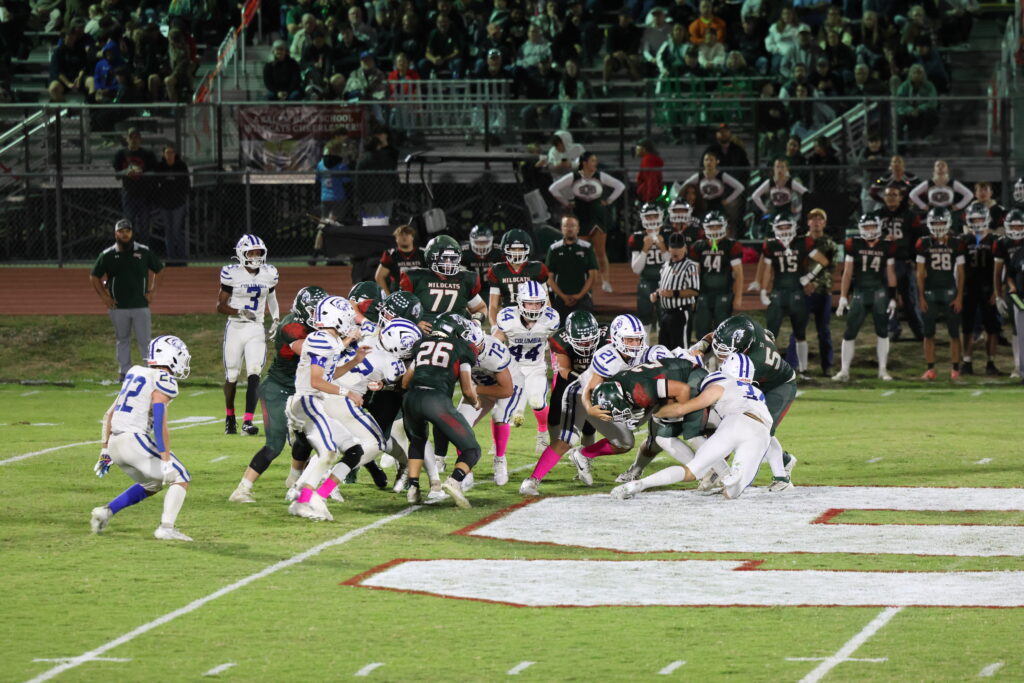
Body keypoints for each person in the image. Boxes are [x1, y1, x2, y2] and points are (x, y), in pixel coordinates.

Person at [611, 351, 772, 501]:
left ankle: (640, 484)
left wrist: (657, 413)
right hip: (761, 433)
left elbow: (683, 408)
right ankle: (728, 474)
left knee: (692, 469)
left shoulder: (720, 383)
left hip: (734, 422)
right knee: (732, 493)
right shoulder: (758, 393)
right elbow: (773, 444)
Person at [519, 314, 647, 495]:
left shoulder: (645, 353)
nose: (634, 344)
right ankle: (531, 481)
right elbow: (589, 389)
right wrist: (590, 409)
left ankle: (584, 454)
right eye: (629, 340)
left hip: (604, 395)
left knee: (625, 443)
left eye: (637, 339)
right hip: (581, 394)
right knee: (567, 440)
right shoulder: (607, 356)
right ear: (616, 338)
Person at [228, 286, 327, 504]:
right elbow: (309, 351)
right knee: (275, 445)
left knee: (307, 438)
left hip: (300, 390)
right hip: (278, 390)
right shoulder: (292, 325)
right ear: (302, 309)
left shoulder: (318, 328)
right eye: (313, 311)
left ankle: (295, 480)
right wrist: (340, 341)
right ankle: (241, 490)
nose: (318, 316)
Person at [90, 335, 194, 540]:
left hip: (115, 444)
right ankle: (166, 528)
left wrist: (105, 451)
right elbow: (160, 421)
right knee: (181, 476)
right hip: (133, 440)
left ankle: (106, 512)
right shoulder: (163, 379)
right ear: (171, 356)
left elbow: (109, 414)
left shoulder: (136, 372)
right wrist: (165, 458)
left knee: (152, 485)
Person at [285, 296, 369, 521]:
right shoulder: (321, 340)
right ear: (337, 318)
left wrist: (355, 360)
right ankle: (302, 497)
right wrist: (348, 393)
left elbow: (329, 374)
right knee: (329, 452)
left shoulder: (328, 340)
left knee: (354, 451)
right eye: (347, 319)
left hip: (313, 403)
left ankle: (318, 495)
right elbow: (317, 382)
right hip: (306, 402)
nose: (350, 323)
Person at [401, 314, 482, 507]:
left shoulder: (421, 344)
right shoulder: (462, 347)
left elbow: (405, 382)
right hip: (436, 401)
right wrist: (476, 402)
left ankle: (413, 487)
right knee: (472, 450)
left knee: (418, 441)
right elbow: (467, 390)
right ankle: (455, 480)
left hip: (411, 399)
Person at [217, 235, 279, 436]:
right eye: (251, 253)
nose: (255, 256)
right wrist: (240, 311)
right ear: (241, 253)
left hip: (256, 328)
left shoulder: (269, 273)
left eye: (258, 252)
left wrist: (276, 319)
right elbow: (220, 306)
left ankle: (247, 422)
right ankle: (230, 417)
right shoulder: (232, 273)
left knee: (254, 372)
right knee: (232, 375)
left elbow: (272, 298)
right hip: (235, 328)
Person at [90, 219, 164, 382]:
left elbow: (159, 270)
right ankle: (124, 372)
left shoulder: (144, 252)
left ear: (132, 233)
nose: (125, 235)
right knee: (122, 339)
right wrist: (104, 297)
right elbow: (94, 276)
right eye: (121, 232)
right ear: (115, 234)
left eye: (127, 231)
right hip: (118, 306)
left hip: (140, 305)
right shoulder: (108, 254)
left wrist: (153, 292)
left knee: (145, 340)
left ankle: (150, 372)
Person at [494, 282, 562, 454]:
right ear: (520, 302)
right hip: (511, 368)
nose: (534, 307)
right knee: (501, 407)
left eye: (538, 303)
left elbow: (557, 343)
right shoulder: (508, 318)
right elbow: (497, 340)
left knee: (537, 402)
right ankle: (497, 442)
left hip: (535, 367)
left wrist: (558, 364)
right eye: (530, 303)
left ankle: (543, 433)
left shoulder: (550, 319)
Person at [832, 215, 898, 381]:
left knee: (882, 332)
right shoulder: (853, 244)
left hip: (879, 293)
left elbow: (891, 273)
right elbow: (847, 272)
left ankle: (882, 370)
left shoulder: (887, 245)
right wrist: (843, 296)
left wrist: (892, 297)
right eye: (866, 227)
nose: (869, 230)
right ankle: (844, 370)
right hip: (860, 293)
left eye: (872, 226)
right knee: (850, 331)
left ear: (878, 227)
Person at [548, 153, 626, 293]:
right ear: (584, 162)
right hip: (581, 215)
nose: (595, 163)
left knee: (600, 252)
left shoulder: (600, 176)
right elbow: (553, 188)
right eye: (592, 160)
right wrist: (566, 203)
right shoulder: (574, 176)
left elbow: (620, 186)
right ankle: (580, 279)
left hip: (598, 216)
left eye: (595, 160)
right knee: (580, 251)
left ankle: (605, 281)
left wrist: (608, 201)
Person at [915, 208, 966, 381]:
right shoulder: (923, 243)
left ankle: (955, 370)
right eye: (935, 222)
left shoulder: (956, 243)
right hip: (930, 292)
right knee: (928, 333)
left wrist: (959, 296)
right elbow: (920, 273)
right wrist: (921, 297)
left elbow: (961, 273)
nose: (938, 226)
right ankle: (930, 369)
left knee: (954, 333)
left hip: (950, 291)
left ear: (948, 223)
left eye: (941, 222)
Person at [873, 184, 925, 341]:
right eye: (888, 195)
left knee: (910, 299)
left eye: (894, 195)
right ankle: (892, 329)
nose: (890, 198)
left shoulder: (910, 215)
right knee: (886, 298)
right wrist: (883, 238)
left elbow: (918, 238)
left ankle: (919, 331)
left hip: (903, 261)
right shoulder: (877, 215)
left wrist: (915, 258)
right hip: (883, 262)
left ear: (901, 197)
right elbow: (868, 235)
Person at [400, 235, 487, 325]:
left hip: (456, 330)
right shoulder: (416, 278)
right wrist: (414, 323)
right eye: (444, 258)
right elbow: (399, 309)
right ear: (431, 257)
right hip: (424, 330)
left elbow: (480, 308)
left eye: (453, 258)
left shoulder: (465, 279)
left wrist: (476, 321)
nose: (449, 262)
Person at [960, 203, 1002, 376]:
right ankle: (967, 362)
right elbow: (958, 269)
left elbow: (1000, 269)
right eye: (974, 219)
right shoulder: (963, 240)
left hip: (988, 288)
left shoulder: (995, 240)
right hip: (968, 289)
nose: (977, 222)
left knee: (992, 328)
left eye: (980, 219)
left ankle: (990, 363)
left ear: (986, 219)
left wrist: (997, 291)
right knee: (967, 327)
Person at [689, 211, 744, 340]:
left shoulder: (731, 246)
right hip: (704, 293)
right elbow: (693, 275)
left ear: (724, 226)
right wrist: (692, 297)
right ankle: (704, 353)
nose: (714, 229)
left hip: (724, 293)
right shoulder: (699, 246)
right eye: (711, 226)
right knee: (702, 331)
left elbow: (739, 274)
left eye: (717, 226)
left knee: (723, 332)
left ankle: (720, 353)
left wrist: (738, 297)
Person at [485, 229, 549, 328]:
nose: (517, 252)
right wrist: (494, 327)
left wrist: (547, 323)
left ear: (528, 249)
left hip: (533, 318)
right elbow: (493, 306)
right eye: (513, 249)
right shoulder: (498, 270)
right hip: (508, 318)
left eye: (521, 249)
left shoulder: (537, 269)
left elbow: (546, 301)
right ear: (505, 249)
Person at [653, 232, 701, 349]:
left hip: (680, 313)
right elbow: (662, 287)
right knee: (664, 349)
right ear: (669, 249)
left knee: (680, 349)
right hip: (665, 313)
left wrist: (674, 293)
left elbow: (695, 290)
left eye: (679, 248)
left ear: (684, 248)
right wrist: (656, 294)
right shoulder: (665, 265)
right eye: (673, 248)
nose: (676, 251)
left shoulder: (689, 266)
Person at [546, 214, 599, 320]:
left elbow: (593, 276)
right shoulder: (554, 249)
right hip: (560, 299)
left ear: (578, 228)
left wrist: (579, 296)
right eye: (566, 226)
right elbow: (549, 278)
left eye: (572, 226)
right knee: (558, 328)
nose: (569, 229)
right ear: (561, 228)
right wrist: (563, 296)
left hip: (583, 298)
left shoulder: (587, 247)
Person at [112, 128, 158, 245]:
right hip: (128, 192)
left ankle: (143, 250)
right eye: (131, 137)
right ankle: (128, 249)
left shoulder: (147, 154)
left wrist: (142, 172)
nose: (134, 140)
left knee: (144, 225)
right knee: (128, 224)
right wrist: (126, 172)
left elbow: (155, 172)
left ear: (140, 139)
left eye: (136, 137)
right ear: (127, 139)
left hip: (144, 194)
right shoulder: (121, 154)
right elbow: (117, 175)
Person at [630, 204, 669, 335]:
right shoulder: (637, 237)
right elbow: (636, 269)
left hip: (666, 281)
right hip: (646, 281)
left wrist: (663, 247)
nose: (652, 219)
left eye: (655, 216)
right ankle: (644, 346)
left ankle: (663, 346)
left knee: (664, 317)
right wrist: (645, 249)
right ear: (643, 218)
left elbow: (673, 263)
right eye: (648, 216)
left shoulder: (668, 234)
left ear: (661, 216)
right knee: (644, 317)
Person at [994, 210, 1024, 379]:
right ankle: (1018, 366)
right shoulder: (1002, 243)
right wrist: (998, 295)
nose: (1016, 229)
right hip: (1015, 290)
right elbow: (999, 272)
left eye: (1020, 226)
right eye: (1013, 226)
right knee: (1017, 329)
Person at [672, 151, 744, 222]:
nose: (709, 162)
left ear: (717, 162)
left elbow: (740, 187)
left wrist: (727, 201)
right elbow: (684, 186)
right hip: (703, 205)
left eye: (711, 160)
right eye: (706, 160)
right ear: (703, 162)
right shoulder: (699, 176)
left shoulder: (722, 175)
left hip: (718, 205)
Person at [153, 144, 190, 265]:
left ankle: (182, 258)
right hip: (164, 204)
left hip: (178, 204)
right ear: (164, 154)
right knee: (168, 232)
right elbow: (155, 183)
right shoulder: (160, 167)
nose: (169, 155)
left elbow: (186, 184)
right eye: (167, 153)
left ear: (175, 154)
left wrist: (182, 197)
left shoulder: (181, 166)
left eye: (171, 153)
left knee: (176, 231)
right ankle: (171, 258)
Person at [375, 224, 426, 296]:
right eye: (401, 235)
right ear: (396, 238)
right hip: (398, 294)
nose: (404, 237)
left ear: (412, 237)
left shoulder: (423, 253)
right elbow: (379, 276)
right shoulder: (391, 254)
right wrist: (388, 296)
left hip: (420, 293)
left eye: (407, 234)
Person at [908, 160, 973, 213]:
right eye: (938, 165)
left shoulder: (953, 183)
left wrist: (957, 206)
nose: (940, 167)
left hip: (948, 212)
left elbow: (969, 195)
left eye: (943, 165)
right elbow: (912, 194)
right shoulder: (928, 183)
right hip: (932, 212)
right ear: (934, 169)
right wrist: (924, 206)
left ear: (947, 169)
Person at [895, 64, 939, 139]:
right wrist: (910, 110)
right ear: (910, 74)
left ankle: (925, 137)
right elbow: (899, 102)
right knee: (898, 118)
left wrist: (919, 109)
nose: (917, 75)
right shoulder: (904, 86)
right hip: (908, 114)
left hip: (923, 113)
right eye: (915, 72)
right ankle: (900, 143)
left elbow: (933, 102)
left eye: (919, 73)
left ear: (923, 74)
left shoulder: (929, 86)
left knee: (931, 113)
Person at [315, 138, 352, 222]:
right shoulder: (341, 166)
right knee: (336, 222)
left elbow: (318, 180)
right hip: (339, 198)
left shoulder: (320, 164)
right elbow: (346, 183)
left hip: (324, 197)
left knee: (325, 221)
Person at [1005, 222, 1024, 382]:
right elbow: (1010, 274)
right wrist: (1012, 287)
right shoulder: (1019, 253)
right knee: (1021, 336)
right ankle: (1022, 371)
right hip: (1021, 301)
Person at [634, 138, 664, 204]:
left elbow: (651, 180)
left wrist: (649, 198)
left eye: (638, 148)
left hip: (648, 194)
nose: (636, 150)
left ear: (644, 149)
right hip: (650, 193)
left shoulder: (648, 160)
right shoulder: (649, 159)